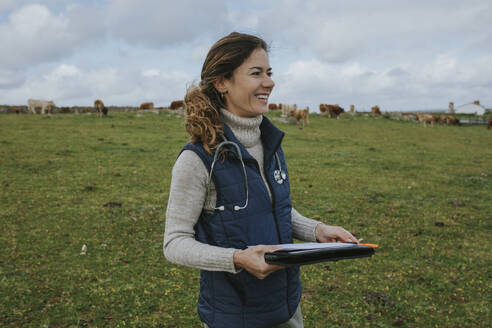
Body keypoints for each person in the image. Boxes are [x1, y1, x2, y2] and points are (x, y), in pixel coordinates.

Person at [163, 32, 358, 328]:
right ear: (222, 82)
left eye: (269, 72)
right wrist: (238, 259)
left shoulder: (271, 143)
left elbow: (274, 208)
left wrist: (317, 231)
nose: (269, 82)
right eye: (256, 73)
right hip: (235, 316)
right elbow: (174, 243)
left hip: (286, 307)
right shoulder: (198, 159)